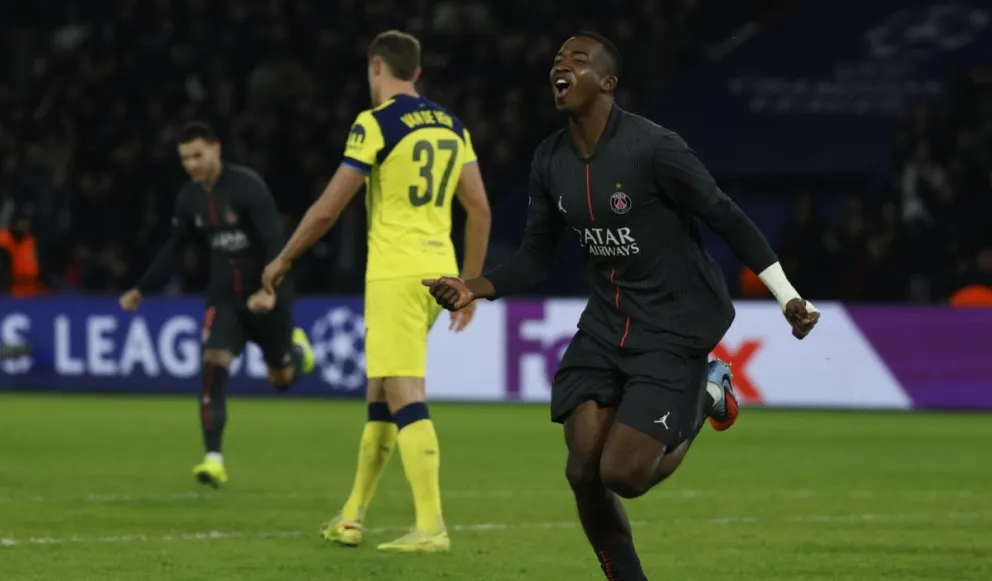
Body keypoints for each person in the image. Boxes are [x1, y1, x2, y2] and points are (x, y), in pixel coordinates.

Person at [424, 32, 819, 580]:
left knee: (625, 476)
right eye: (557, 59)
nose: (561, 66)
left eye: (577, 60)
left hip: (675, 322)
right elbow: (536, 256)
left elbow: (724, 214)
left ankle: (707, 393)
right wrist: (475, 286)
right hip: (608, 323)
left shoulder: (655, 148)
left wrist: (787, 295)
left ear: (607, 83)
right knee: (583, 468)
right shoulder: (549, 160)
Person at [259, 30, 491, 553]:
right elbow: (479, 207)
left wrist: (284, 258)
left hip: (396, 272)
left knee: (404, 391)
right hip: (442, 271)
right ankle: (352, 516)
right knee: (381, 392)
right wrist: (471, 286)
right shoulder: (453, 126)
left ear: (376, 68)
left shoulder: (375, 123)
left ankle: (431, 527)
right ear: (419, 74)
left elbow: (328, 207)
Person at [119, 121, 316, 488]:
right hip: (225, 298)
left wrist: (270, 291)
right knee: (213, 363)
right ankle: (213, 458)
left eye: (197, 155)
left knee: (282, 379)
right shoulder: (190, 198)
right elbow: (175, 247)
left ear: (216, 149)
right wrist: (141, 288)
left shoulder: (247, 187)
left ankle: (294, 350)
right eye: (185, 158)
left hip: (265, 295)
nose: (192, 164)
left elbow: (277, 243)